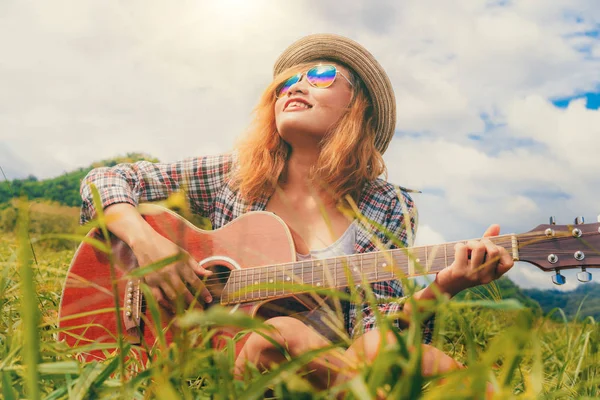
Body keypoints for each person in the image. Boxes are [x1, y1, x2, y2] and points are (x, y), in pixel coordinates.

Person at [79, 33, 514, 393]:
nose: (295, 86)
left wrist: (445, 286)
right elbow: (106, 181)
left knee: (402, 351)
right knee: (281, 331)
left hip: (330, 362)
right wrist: (147, 242)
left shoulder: (386, 205)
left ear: (356, 106)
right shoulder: (234, 175)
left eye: (321, 76)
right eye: (287, 81)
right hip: (233, 356)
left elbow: (378, 326)